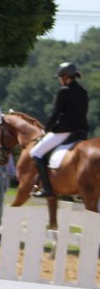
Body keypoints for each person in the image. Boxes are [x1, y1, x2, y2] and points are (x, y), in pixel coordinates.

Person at [30, 62, 90, 198]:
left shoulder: (63, 91)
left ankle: (46, 188)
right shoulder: (83, 91)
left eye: (60, 77)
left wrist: (46, 129)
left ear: (65, 77)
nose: (59, 80)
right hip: (81, 131)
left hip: (64, 131)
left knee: (36, 152)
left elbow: (55, 113)